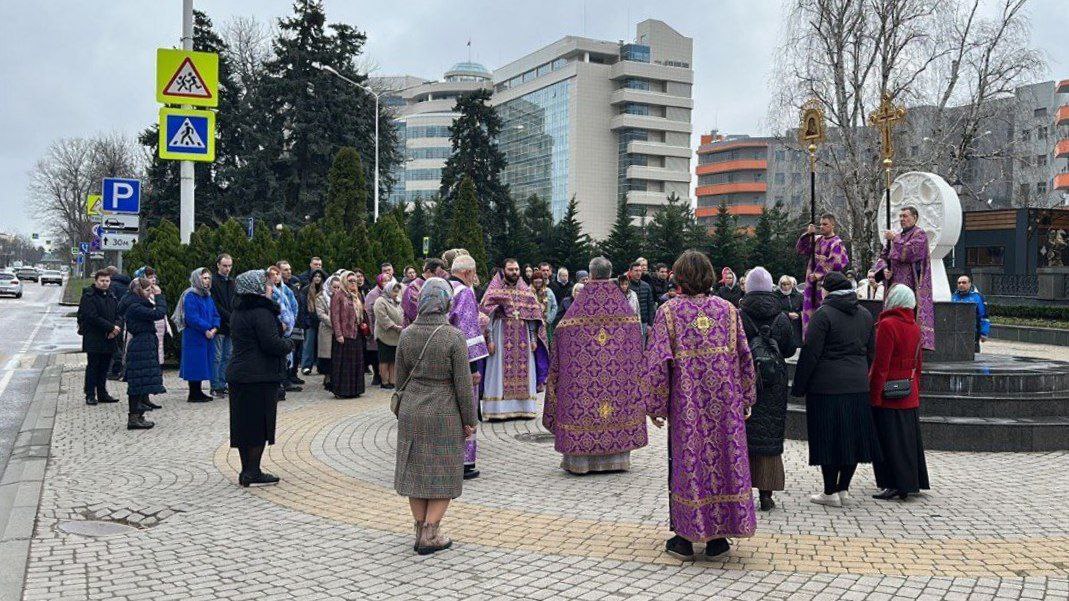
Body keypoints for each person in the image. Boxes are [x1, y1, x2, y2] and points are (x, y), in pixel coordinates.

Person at [643, 250, 757, 561]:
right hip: (726, 403)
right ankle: (718, 539)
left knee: (689, 463)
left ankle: (684, 538)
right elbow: (745, 357)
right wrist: (746, 396)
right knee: (723, 460)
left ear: (679, 277)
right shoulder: (728, 310)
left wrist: (655, 404)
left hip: (687, 403)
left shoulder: (668, 312)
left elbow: (657, 363)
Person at [394, 277, 478, 555]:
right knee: (444, 470)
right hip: (444, 411)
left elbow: (400, 379)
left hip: (411, 411)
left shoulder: (406, 334)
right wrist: (470, 420)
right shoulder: (453, 336)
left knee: (416, 471)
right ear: (445, 301)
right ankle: (431, 534)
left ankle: (419, 529)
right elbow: (463, 385)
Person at [544, 257, 647, 475]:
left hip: (584, 377)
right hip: (615, 375)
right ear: (609, 274)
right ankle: (617, 460)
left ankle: (581, 463)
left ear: (590, 275)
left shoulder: (581, 303)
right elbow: (635, 335)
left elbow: (561, 332)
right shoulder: (620, 303)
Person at [791, 271, 880, 508]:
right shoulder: (865, 314)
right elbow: (872, 352)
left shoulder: (824, 314)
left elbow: (810, 352)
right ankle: (844, 489)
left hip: (826, 387)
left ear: (828, 291)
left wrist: (799, 386)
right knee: (852, 438)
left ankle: (829, 491)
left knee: (828, 438)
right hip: (857, 386)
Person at [228, 269, 293, 487]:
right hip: (258, 375)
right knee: (257, 425)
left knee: (244, 425)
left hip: (241, 374)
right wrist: (289, 343)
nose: (270, 287)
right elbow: (271, 344)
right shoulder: (261, 312)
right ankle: (252, 471)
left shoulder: (239, 310)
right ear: (255, 287)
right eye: (266, 283)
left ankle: (247, 470)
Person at [739, 267, 797, 511]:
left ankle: (740, 489)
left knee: (743, 434)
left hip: (745, 380)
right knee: (770, 433)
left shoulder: (738, 315)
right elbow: (790, 349)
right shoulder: (781, 316)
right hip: (774, 383)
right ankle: (767, 494)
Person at [868, 284, 930, 501]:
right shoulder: (915, 326)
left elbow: (880, 365)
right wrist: (916, 388)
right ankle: (911, 481)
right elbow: (918, 363)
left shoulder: (887, 324)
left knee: (890, 440)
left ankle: (893, 483)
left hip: (890, 392)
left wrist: (874, 394)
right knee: (908, 441)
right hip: (908, 390)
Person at [479, 259, 549, 419]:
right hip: (500, 335)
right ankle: (498, 410)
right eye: (511, 269)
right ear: (504, 271)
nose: (515, 272)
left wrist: (533, 339)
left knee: (526, 371)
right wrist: (489, 340)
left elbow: (533, 317)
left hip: (523, 338)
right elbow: (486, 317)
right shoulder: (493, 291)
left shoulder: (526, 291)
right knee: (498, 370)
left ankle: (524, 409)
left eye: (517, 269)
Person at [446, 254, 490, 479]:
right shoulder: (463, 293)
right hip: (461, 363)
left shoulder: (443, 287)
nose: (475, 278)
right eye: (473, 274)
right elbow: (467, 332)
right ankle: (463, 462)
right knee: (465, 409)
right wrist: (473, 369)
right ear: (467, 273)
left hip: (441, 358)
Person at [871, 206, 935, 350]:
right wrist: (884, 271)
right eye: (900, 216)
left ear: (915, 217)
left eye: (905, 216)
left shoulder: (920, 235)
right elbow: (883, 257)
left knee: (907, 315)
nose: (902, 219)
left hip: (911, 284)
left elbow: (910, 254)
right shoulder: (897, 236)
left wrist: (895, 239)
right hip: (893, 283)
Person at [120, 277, 168, 430]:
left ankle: (139, 415)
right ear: (139, 290)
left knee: (142, 381)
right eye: (147, 290)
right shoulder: (135, 306)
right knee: (137, 383)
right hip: (140, 345)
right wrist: (159, 296)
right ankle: (133, 418)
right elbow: (159, 313)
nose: (150, 293)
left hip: (144, 344)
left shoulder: (135, 302)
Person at [796, 214, 850, 339]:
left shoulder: (837, 243)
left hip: (827, 285)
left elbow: (837, 263)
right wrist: (808, 234)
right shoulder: (817, 240)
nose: (822, 226)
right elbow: (801, 249)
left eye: (825, 224)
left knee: (825, 311)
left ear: (833, 225)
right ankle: (809, 339)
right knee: (810, 312)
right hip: (811, 284)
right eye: (820, 224)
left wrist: (819, 273)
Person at [176, 268, 220, 403]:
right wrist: (206, 328)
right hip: (194, 336)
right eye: (204, 278)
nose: (207, 281)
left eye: (208, 278)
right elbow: (191, 317)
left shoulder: (207, 295)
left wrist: (215, 328)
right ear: (197, 278)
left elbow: (215, 314)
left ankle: (199, 391)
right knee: (194, 363)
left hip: (207, 336)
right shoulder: (190, 295)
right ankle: (193, 392)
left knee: (203, 363)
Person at [78, 269, 121, 406]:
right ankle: (90, 394)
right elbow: (92, 317)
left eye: (107, 281)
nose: (104, 283)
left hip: (109, 337)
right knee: (93, 366)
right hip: (94, 337)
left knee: (105, 366)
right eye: (102, 281)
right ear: (96, 281)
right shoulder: (88, 296)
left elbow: (118, 314)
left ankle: (102, 393)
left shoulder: (111, 295)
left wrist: (116, 328)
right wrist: (111, 327)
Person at [330, 271, 366, 398]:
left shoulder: (357, 296)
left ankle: (355, 390)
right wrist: (338, 334)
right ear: (344, 281)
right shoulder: (338, 295)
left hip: (356, 333)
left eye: (354, 281)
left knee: (355, 363)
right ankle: (342, 391)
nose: (353, 283)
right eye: (350, 281)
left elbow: (360, 314)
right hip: (343, 334)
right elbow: (334, 316)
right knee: (343, 364)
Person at [210, 254, 236, 398]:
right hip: (219, 324)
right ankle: (216, 385)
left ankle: (223, 382)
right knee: (217, 356)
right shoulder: (213, 281)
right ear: (218, 265)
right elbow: (215, 305)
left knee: (228, 356)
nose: (227, 269)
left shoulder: (232, 282)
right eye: (225, 266)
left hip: (230, 325)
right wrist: (229, 316)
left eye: (229, 266)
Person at [277, 261, 305, 387]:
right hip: (286, 325)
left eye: (289, 269)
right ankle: (285, 378)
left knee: (297, 351)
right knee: (288, 351)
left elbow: (298, 304)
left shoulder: (293, 287)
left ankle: (293, 375)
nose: (289, 272)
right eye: (285, 270)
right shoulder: (278, 288)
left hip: (297, 323)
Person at [374, 281, 404, 389]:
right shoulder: (380, 301)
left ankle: (393, 380)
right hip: (384, 336)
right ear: (388, 290)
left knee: (393, 360)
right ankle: (384, 381)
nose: (396, 294)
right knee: (384, 360)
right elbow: (382, 317)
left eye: (397, 291)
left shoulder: (396, 301)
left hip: (396, 336)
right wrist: (394, 326)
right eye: (394, 291)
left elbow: (401, 314)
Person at [104, 266, 132, 380]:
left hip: (115, 318)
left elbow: (110, 303)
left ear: (109, 275)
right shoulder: (126, 284)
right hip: (125, 318)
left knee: (113, 344)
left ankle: (113, 370)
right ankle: (119, 368)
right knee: (120, 343)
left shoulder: (112, 286)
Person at [402, 258, 448, 326]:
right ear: (428, 272)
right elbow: (414, 311)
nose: (440, 278)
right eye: (438, 274)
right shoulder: (413, 287)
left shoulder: (437, 284)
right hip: (416, 329)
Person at [951, 275, 990, 352]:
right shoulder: (953, 296)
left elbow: (984, 316)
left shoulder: (978, 297)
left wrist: (984, 333)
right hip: (955, 332)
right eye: (959, 283)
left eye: (964, 282)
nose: (961, 285)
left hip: (973, 333)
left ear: (969, 284)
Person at [315, 274, 340, 390]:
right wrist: (334, 323)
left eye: (338, 287)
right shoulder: (321, 297)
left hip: (339, 330)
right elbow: (321, 314)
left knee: (337, 355)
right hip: (327, 330)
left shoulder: (340, 297)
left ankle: (336, 377)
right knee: (327, 356)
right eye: (334, 287)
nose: (336, 290)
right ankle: (328, 378)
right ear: (329, 286)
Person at [300, 269, 327, 375]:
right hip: (310, 322)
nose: (317, 278)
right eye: (315, 276)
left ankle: (321, 366)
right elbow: (303, 307)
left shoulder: (325, 291)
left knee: (322, 345)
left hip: (322, 322)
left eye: (319, 276)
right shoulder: (305, 290)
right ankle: (306, 366)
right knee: (309, 345)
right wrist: (306, 321)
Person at [365, 274, 387, 386]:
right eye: (384, 281)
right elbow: (368, 312)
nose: (386, 283)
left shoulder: (390, 292)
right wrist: (370, 329)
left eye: (388, 281)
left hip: (387, 329)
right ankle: (377, 375)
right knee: (375, 353)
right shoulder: (372, 294)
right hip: (375, 327)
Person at [627, 261, 656, 337]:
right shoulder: (626, 287)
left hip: (644, 323)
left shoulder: (646, 286)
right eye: (636, 271)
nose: (638, 273)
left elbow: (650, 306)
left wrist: (650, 324)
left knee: (642, 347)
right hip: (630, 323)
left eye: (640, 271)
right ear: (630, 272)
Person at [776, 275, 804, 347]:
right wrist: (787, 314)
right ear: (780, 285)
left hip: (797, 327)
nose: (786, 286)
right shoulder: (776, 296)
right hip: (782, 326)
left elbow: (804, 309)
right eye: (784, 284)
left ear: (792, 285)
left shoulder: (799, 296)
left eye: (788, 284)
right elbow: (775, 310)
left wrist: (799, 314)